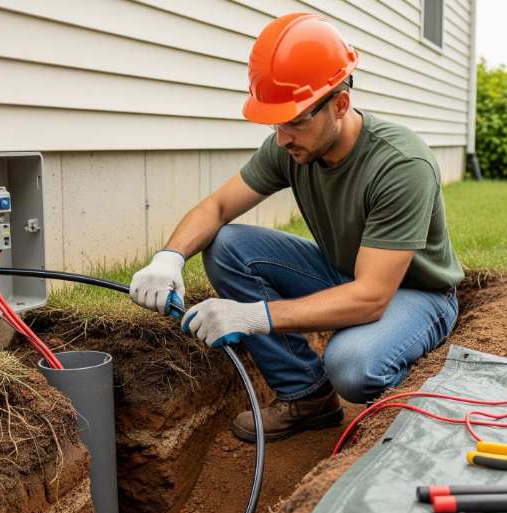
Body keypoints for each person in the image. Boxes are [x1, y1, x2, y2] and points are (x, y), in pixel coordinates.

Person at [129, 13, 463, 442]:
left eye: (295, 120)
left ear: (340, 104)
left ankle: (402, 421)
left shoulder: (401, 165)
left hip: (415, 293)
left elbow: (371, 297)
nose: (282, 137)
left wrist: (252, 316)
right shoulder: (290, 146)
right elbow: (217, 207)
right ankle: (306, 396)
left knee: (353, 365)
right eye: (275, 122)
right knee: (227, 245)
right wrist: (169, 257)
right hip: (346, 274)